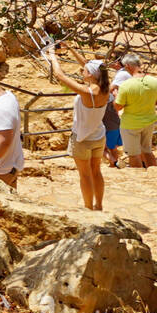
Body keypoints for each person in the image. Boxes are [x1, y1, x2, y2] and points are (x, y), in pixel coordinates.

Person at [49, 49, 109, 209]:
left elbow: (60, 76)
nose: (82, 70)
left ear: (91, 75)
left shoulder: (86, 92)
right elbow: (92, 67)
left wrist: (52, 56)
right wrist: (71, 49)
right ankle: (99, 205)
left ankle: (88, 207)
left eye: (85, 71)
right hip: (99, 136)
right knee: (96, 171)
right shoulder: (105, 88)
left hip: (82, 139)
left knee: (85, 174)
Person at [114, 52, 157, 168]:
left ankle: (138, 179)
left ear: (127, 66)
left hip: (131, 124)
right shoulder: (155, 81)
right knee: (147, 151)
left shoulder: (126, 85)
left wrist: (116, 95)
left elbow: (118, 107)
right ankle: (154, 174)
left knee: (133, 155)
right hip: (149, 121)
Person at [102, 54, 131, 167]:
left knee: (108, 143)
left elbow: (111, 89)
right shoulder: (124, 73)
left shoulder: (121, 74)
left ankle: (115, 162)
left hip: (115, 106)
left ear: (118, 63)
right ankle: (115, 161)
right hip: (117, 107)